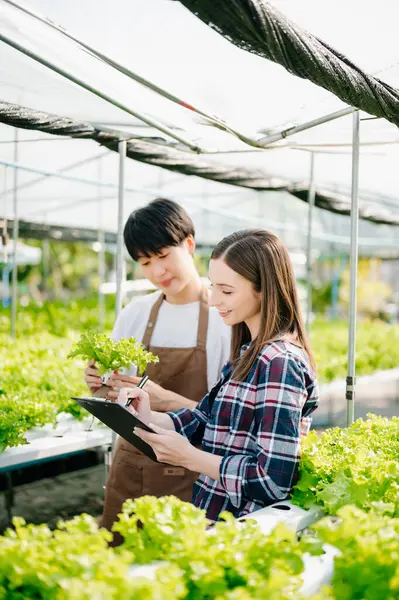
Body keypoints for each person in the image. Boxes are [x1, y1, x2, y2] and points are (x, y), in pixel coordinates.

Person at [118, 229, 319, 523]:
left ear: (265, 288)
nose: (213, 300)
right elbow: (204, 420)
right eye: (213, 287)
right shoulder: (246, 353)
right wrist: (148, 415)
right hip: (215, 518)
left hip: (244, 529)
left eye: (226, 291)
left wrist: (190, 456)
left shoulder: (279, 363)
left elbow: (273, 481)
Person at [84, 198, 230, 536]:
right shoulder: (135, 313)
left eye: (163, 256)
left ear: (189, 245)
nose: (157, 272)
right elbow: (115, 393)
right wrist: (99, 383)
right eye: (146, 262)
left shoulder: (225, 318)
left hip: (191, 468)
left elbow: (226, 419)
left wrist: (164, 400)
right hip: (130, 467)